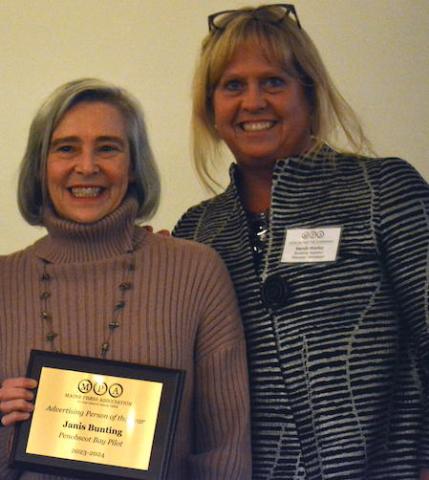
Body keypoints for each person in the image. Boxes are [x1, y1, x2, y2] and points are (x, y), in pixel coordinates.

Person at [173, 4, 429, 480]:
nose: (253, 102)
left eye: (273, 81)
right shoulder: (196, 232)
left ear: (308, 94)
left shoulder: (384, 191)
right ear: (211, 108)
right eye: (232, 85)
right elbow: (176, 390)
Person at [0, 78, 251, 479]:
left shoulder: (195, 272)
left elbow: (225, 447)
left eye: (108, 148)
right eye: (66, 148)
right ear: (40, 165)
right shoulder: (4, 284)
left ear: (133, 166)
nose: (87, 167)